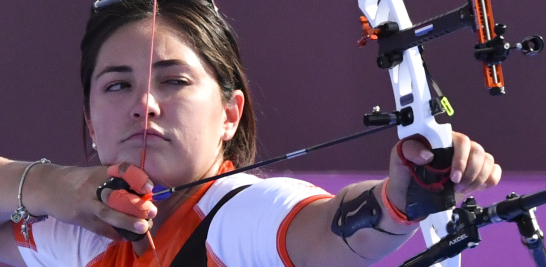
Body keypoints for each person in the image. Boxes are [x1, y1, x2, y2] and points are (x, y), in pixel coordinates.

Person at [0, 0, 501, 266]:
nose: (144, 104)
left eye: (174, 80)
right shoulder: (80, 236)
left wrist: (401, 199)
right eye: (117, 85)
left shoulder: (238, 217)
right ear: (90, 120)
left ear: (230, 114)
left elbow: (327, 232)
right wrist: (50, 186)